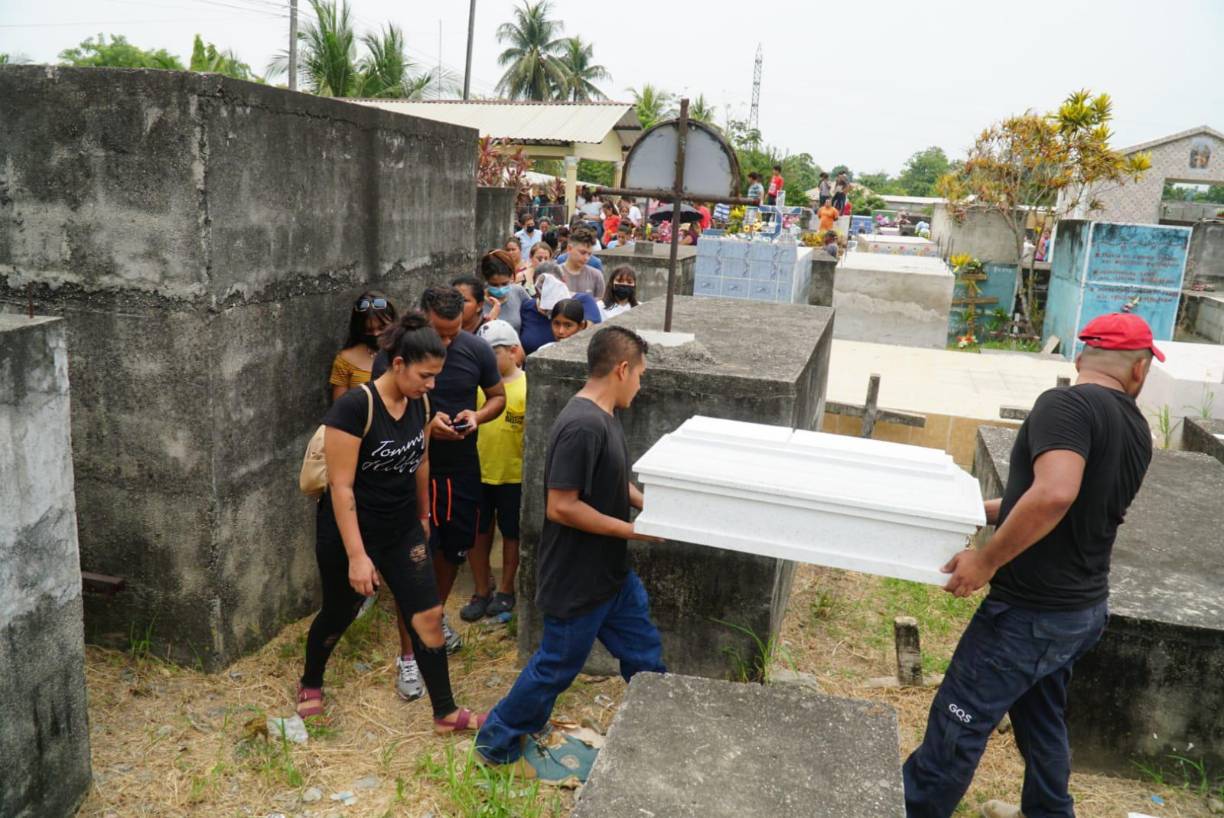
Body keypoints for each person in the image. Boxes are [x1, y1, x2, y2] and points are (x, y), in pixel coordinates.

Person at [903, 312, 1161, 818]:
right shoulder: (1135, 428)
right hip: (1080, 612)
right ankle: (1049, 811)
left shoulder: (1064, 405)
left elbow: (1055, 495)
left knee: (958, 723)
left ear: (1081, 357)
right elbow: (1060, 501)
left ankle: (911, 808)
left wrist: (986, 560)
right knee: (1042, 720)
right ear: (1139, 370)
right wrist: (969, 511)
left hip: (1029, 616)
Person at [475, 326, 666, 778]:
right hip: (578, 579)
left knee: (646, 656)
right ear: (622, 369)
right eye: (639, 374)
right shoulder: (581, 425)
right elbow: (561, 506)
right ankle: (497, 739)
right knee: (555, 668)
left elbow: (612, 478)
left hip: (612, 576)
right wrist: (632, 532)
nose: (640, 384)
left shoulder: (606, 417)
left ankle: (658, 721)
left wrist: (649, 506)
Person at [298, 311, 484, 733]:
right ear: (398, 364)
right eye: (425, 375)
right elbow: (341, 489)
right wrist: (358, 557)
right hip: (350, 532)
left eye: (436, 376)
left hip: (400, 527)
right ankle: (310, 682)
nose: (431, 385)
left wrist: (422, 513)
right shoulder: (353, 408)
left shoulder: (419, 401)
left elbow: (421, 458)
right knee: (339, 612)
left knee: (429, 613)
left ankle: (445, 712)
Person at [372, 287, 507, 654]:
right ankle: (409, 652)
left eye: (454, 331)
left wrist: (476, 416)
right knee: (414, 560)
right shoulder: (395, 356)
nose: (447, 341)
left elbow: (498, 397)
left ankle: (434, 618)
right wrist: (428, 429)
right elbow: (383, 413)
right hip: (410, 472)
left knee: (452, 551)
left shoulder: (477, 350)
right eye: (439, 333)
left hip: (460, 469)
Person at [460, 321, 527, 622]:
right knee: (477, 532)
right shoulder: (475, 387)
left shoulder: (527, 387)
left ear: (513, 351)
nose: (485, 362)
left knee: (511, 533)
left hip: (513, 476)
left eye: (493, 354)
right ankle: (480, 589)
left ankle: (506, 588)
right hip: (478, 472)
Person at [329, 292, 397, 402]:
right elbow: (339, 410)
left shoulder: (406, 351)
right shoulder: (346, 360)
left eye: (382, 327)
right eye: (369, 330)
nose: (376, 334)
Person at [518, 269, 602, 355]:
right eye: (556, 324)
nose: (561, 331)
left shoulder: (583, 301)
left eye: (568, 325)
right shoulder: (527, 307)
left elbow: (591, 330)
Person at [480, 250, 530, 334]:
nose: (500, 288)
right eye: (494, 285)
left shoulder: (518, 292)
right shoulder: (478, 301)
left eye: (504, 284)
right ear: (486, 280)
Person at [557, 228, 606, 298]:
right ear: (569, 249)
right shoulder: (555, 274)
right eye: (582, 253)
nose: (586, 258)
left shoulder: (596, 276)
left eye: (589, 254)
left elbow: (600, 306)